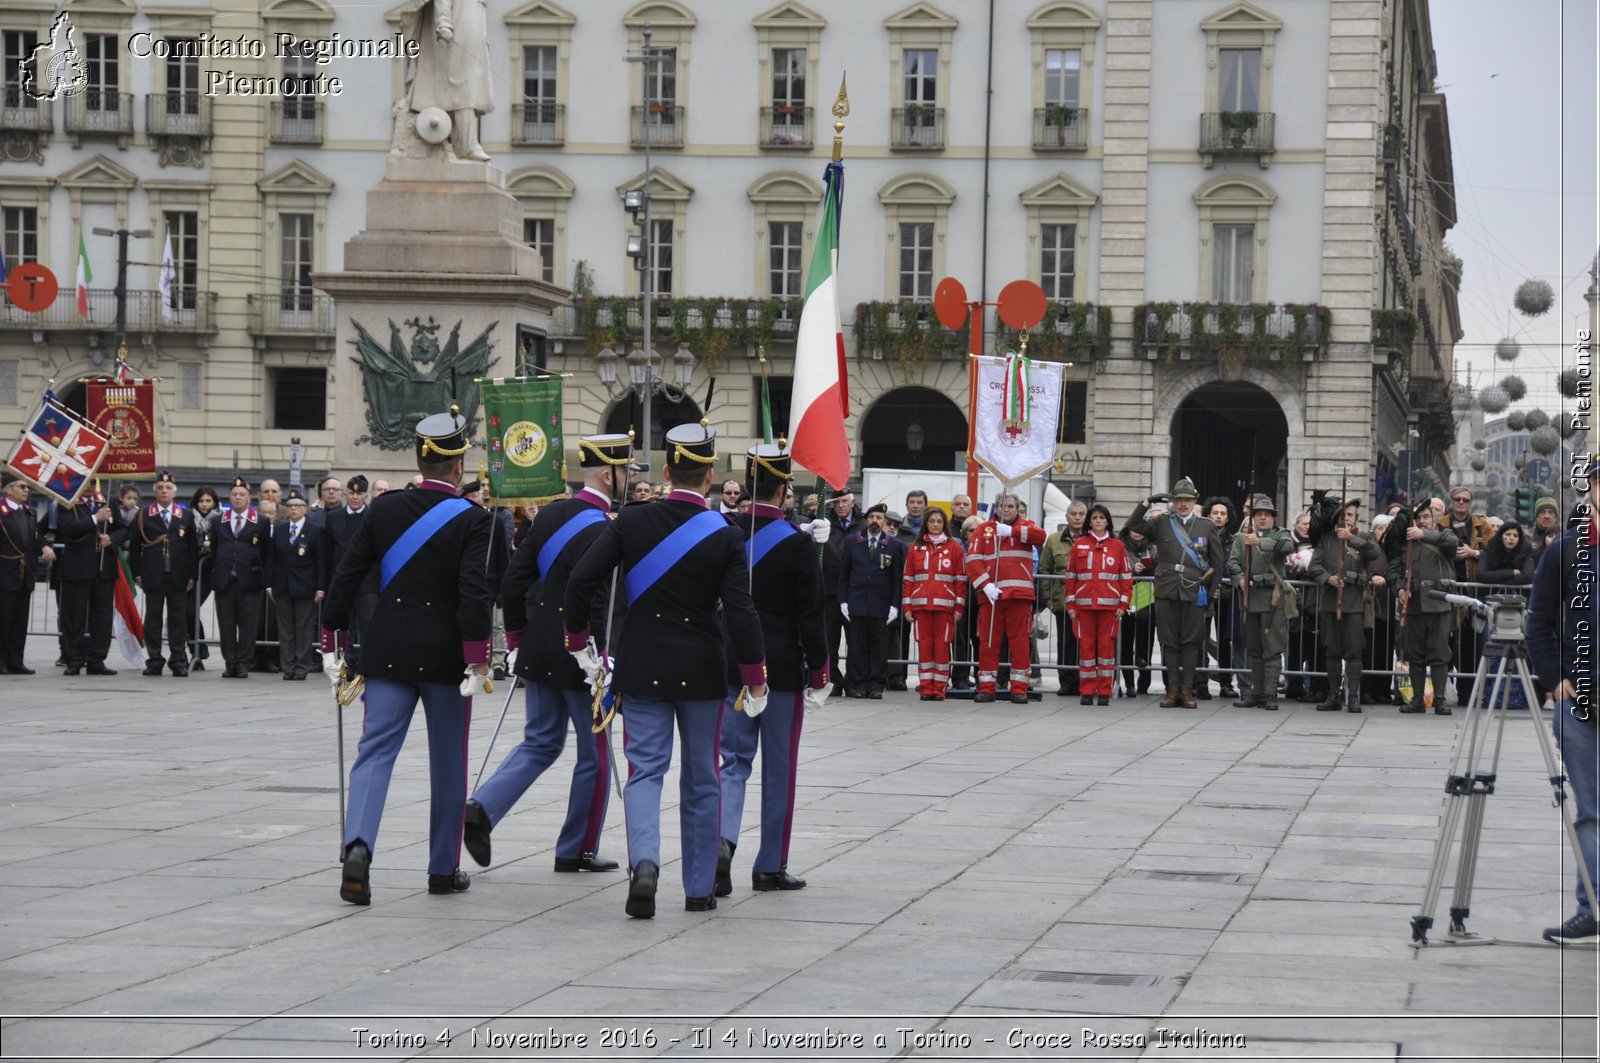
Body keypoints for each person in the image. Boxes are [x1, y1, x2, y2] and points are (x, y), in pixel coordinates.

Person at [564, 421, 766, 918]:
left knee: (645, 773)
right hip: (700, 667)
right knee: (702, 777)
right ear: (711, 473)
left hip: (643, 663)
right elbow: (741, 611)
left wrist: (578, 643)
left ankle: (647, 868)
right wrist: (755, 673)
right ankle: (698, 889)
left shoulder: (630, 521)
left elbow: (581, 579)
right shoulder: (726, 533)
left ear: (668, 469)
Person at [324, 405, 494, 905]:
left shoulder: (384, 509)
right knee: (448, 762)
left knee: (374, 753)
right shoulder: (473, 519)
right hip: (445, 658)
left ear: (420, 461)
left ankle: (357, 849)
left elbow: (347, 575)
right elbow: (473, 592)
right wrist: (477, 654)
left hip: (389, 650)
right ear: (458, 464)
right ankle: (442, 868)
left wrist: (330, 633)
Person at [464, 433, 632, 877]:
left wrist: (517, 641)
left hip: (539, 646)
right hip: (582, 653)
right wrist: (599, 655)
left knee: (540, 741)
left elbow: (513, 582)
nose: (629, 479)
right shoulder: (607, 527)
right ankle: (576, 849)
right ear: (605, 473)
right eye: (624, 471)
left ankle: (482, 808)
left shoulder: (553, 512)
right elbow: (597, 598)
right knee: (593, 755)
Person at [716, 443, 829, 897]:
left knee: (732, 763)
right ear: (784, 487)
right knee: (779, 767)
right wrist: (820, 669)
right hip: (780, 668)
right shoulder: (800, 544)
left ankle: (722, 841)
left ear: (745, 485)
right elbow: (810, 615)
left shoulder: (725, 535)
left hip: (732, 663)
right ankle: (768, 866)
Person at [1527, 458, 1599, 945]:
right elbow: (1539, 621)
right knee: (1591, 811)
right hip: (1580, 703)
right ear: (1592, 487)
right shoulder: (1568, 551)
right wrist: (1554, 679)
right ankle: (1590, 906)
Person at [1126, 478, 1225, 708]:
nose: (1183, 504)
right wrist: (1147, 503)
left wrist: (1209, 594)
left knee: (1191, 643)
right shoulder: (1161, 523)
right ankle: (1172, 690)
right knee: (1169, 642)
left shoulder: (1206, 526)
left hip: (1194, 590)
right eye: (1179, 500)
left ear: (1194, 502)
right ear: (1172, 502)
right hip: (1167, 589)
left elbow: (1217, 564)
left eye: (1187, 500)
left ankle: (1187, 691)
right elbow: (1133, 525)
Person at [966, 493, 1045, 704]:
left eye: (1010, 506)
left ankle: (1019, 688)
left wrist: (1013, 531)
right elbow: (973, 560)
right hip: (991, 596)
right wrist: (986, 585)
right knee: (988, 642)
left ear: (1017, 508)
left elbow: (1040, 537)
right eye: (1002, 506)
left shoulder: (1026, 527)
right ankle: (987, 687)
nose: (1006, 509)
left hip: (1018, 596)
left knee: (1019, 643)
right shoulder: (984, 530)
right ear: (996, 507)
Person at [1309, 497, 1386, 713]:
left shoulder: (1363, 537)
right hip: (1331, 601)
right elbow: (1314, 567)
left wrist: (1351, 539)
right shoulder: (1326, 539)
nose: (1346, 519)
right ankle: (1333, 695)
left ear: (1356, 519)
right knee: (1331, 650)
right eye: (1343, 516)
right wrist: (1328, 578)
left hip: (1354, 601)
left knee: (1354, 652)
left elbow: (1374, 553)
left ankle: (1353, 696)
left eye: (1350, 515)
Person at [1387, 500, 1460, 714]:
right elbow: (1393, 571)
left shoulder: (1442, 537)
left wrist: (1423, 535)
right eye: (1417, 519)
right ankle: (1418, 699)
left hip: (1438, 603)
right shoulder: (1403, 545)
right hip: (1414, 604)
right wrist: (1399, 588)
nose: (1422, 522)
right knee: (1414, 654)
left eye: (1426, 517)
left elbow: (1452, 543)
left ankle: (1439, 699)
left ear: (1434, 519)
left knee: (1439, 653)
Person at [398, 0, 493, 161]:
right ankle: (468, 145)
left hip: (471, 30)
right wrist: (444, 22)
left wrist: (483, 36)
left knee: (470, 86)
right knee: (463, 86)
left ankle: (458, 143)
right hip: (457, 26)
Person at [1228, 494, 1296, 711]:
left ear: (1273, 518)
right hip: (1250, 597)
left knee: (1272, 649)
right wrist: (1239, 580)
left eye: (1267, 515)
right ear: (1253, 517)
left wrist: (1260, 542)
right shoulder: (1241, 537)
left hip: (1272, 598)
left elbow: (1288, 546)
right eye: (1259, 515)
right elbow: (1233, 564)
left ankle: (1269, 694)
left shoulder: (1280, 534)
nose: (1263, 519)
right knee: (1254, 648)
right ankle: (1256, 693)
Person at [128, 471, 198, 677]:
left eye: (168, 488)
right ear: (155, 491)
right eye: (160, 488)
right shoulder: (143, 514)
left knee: (178, 620)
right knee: (153, 619)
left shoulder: (185, 515)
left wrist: (192, 575)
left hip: (179, 575)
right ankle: (155, 660)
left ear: (174, 492)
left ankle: (178, 660)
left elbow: (192, 547)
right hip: (153, 574)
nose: (164, 491)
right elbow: (134, 547)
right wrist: (137, 573)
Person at [1064, 504, 1132, 706]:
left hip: (1109, 608)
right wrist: (1071, 605)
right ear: (1090, 522)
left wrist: (1123, 604)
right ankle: (1086, 690)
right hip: (1084, 607)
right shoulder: (1079, 544)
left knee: (1106, 650)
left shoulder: (1117, 546)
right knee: (1086, 650)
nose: (1098, 521)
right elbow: (1070, 578)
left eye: (1102, 517)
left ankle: (1104, 691)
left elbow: (1126, 578)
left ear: (1108, 521)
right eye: (1095, 518)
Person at [839, 502, 905, 699]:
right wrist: (843, 600)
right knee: (857, 645)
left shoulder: (895, 546)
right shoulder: (853, 541)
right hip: (857, 601)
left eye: (879, 518)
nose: (875, 521)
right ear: (866, 520)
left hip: (881, 604)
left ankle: (876, 684)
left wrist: (895, 604)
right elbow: (844, 573)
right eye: (872, 518)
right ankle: (857, 683)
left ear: (885, 522)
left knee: (879, 645)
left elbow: (896, 579)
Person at [55, 483, 121, 676]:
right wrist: (95, 518)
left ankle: (97, 659)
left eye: (92, 483)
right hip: (77, 569)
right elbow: (68, 529)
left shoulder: (106, 501)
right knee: (74, 617)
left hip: (104, 568)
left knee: (102, 617)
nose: (89, 487)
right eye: (85, 483)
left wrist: (113, 539)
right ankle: (74, 659)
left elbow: (123, 528)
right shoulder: (67, 502)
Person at [901, 506, 964, 700]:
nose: (936, 525)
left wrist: (959, 606)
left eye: (939, 521)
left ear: (944, 524)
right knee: (924, 646)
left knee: (942, 647)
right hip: (921, 607)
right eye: (932, 521)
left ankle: (939, 688)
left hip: (945, 607)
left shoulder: (954, 548)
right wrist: (907, 606)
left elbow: (960, 580)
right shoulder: (915, 547)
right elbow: (908, 579)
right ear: (926, 524)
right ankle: (926, 686)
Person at [211, 478, 269, 679]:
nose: (238, 498)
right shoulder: (218, 520)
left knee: (248, 626)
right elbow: (215, 549)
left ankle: (244, 663)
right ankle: (230, 662)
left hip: (250, 581)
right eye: (234, 494)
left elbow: (266, 551)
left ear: (249, 498)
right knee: (226, 625)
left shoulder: (260, 521)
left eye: (241, 494)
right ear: (229, 497)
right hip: (225, 581)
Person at [268, 491, 328, 681]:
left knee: (303, 629)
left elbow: (321, 562)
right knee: (285, 630)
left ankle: (302, 666)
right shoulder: (279, 529)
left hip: (305, 587)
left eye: (298, 505)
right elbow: (271, 559)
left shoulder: (315, 530)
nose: (293, 509)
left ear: (305, 508)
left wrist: (320, 587)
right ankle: (288, 667)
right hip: (283, 585)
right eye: (290, 505)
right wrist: (269, 584)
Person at [1440, 487, 1490, 706]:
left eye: (1465, 500)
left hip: (1471, 594)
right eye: (1457, 499)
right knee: (1444, 645)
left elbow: (1493, 553)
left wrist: (1473, 552)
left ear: (1471, 503)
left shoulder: (1482, 525)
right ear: (1451, 501)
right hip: (1446, 593)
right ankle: (1441, 693)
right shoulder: (1440, 523)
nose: (1461, 503)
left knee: (1472, 646)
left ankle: (1469, 694)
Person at [1, 474, 55, 673]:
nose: (27, 490)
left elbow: (35, 534)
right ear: (8, 489)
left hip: (25, 573)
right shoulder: (2, 511)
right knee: (3, 620)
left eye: (27, 487)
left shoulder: (29, 511)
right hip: (5, 572)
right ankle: (1, 662)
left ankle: (16, 661)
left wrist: (43, 546)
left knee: (19, 621)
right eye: (21, 486)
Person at [322, 475, 376, 670]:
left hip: (367, 583)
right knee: (344, 627)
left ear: (366, 495)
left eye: (359, 493)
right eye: (352, 493)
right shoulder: (333, 517)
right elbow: (328, 552)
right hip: (341, 582)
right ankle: (346, 665)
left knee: (368, 627)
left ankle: (367, 665)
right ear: (345, 494)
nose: (355, 497)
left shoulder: (373, 516)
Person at [1038, 502, 1086, 697]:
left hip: (1086, 601)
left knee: (1085, 644)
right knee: (1065, 644)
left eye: (1081, 514)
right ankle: (1066, 682)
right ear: (1066, 517)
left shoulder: (1091, 539)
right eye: (1073, 514)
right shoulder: (1054, 540)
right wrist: (1048, 598)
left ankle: (1084, 681)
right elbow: (1044, 569)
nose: (1077, 517)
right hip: (1062, 601)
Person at [822, 488, 859, 695]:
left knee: (855, 640)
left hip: (854, 592)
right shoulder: (825, 525)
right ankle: (833, 680)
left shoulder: (861, 525)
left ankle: (852, 681)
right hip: (829, 590)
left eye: (845, 501)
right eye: (837, 502)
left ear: (853, 503)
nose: (841, 506)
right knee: (829, 640)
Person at [1202, 496, 1240, 699]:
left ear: (1227, 518)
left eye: (1222, 514)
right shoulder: (1201, 537)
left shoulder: (1233, 540)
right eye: (1215, 513)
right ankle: (1201, 682)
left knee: (1225, 641)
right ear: (1208, 515)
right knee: (1202, 637)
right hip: (1205, 594)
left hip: (1226, 594)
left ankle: (1226, 683)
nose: (1218, 517)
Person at [1120, 525, 1157, 697]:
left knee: (1146, 633)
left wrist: (1149, 568)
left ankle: (1144, 683)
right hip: (1126, 594)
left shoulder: (1153, 546)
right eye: (1134, 528)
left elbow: (1161, 569)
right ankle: (1128, 684)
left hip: (1146, 594)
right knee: (1126, 639)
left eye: (1141, 528)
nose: (1138, 532)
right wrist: (1131, 570)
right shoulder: (1120, 545)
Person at [186, 486, 220, 670]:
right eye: (201, 501)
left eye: (208, 501)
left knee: (191, 609)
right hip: (189, 570)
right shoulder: (187, 517)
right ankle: (195, 650)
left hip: (207, 571)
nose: (204, 505)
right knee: (184, 611)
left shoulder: (220, 519)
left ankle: (199, 647)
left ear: (214, 502)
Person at [1478, 521, 1533, 585]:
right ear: (1500, 536)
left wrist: (1496, 581)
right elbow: (1482, 575)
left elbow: (1527, 577)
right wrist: (1512, 573)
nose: (1511, 538)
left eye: (1515, 536)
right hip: (1490, 593)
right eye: (1507, 534)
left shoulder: (1526, 551)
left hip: (1518, 594)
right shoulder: (1489, 549)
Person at [1530, 497, 1560, 562]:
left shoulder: (1564, 536)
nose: (1547, 516)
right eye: (1542, 512)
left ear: (1555, 517)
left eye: (1550, 512)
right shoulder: (1527, 537)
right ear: (1536, 516)